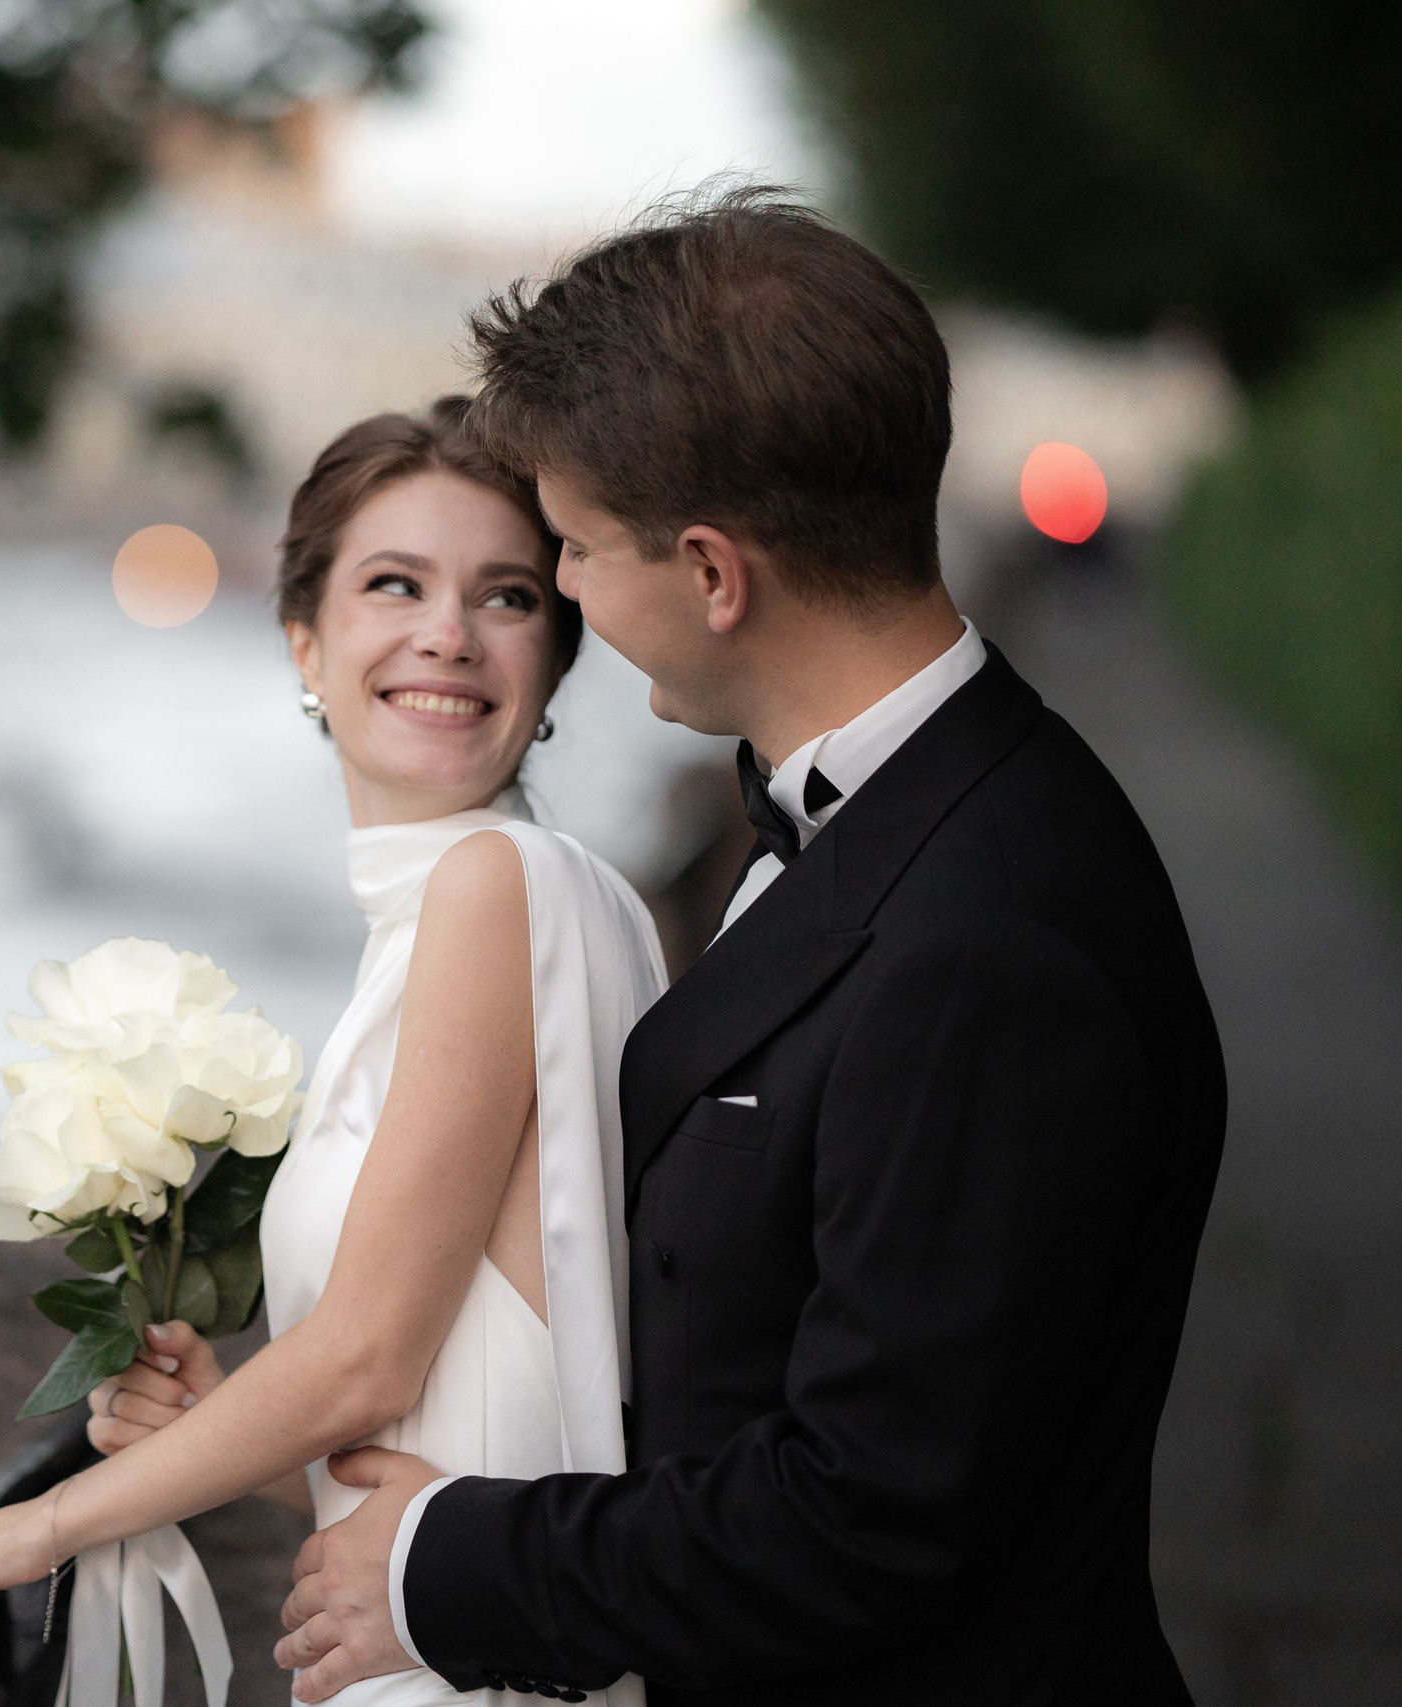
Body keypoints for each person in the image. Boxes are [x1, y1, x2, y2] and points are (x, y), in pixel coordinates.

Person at [273, 187, 1227, 1706]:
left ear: (715, 573)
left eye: (573, 550)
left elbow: (871, 1513)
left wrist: (444, 1566)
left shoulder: (990, 937)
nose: (567, 593)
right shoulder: (880, 817)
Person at [0, 397, 669, 1707]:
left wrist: (35, 1527)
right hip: (452, 1626)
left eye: (505, 596)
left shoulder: (495, 889)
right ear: (306, 642)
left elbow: (366, 1358)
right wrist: (228, 1420)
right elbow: (477, 1397)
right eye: (395, 583)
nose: (445, 632)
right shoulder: (525, 906)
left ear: (553, 659)